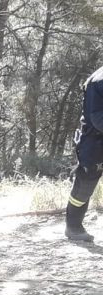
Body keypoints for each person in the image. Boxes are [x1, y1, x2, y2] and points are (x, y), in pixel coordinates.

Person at [66, 65, 103, 242]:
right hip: (95, 142)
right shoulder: (99, 81)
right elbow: (97, 118)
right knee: (85, 186)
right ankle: (73, 227)